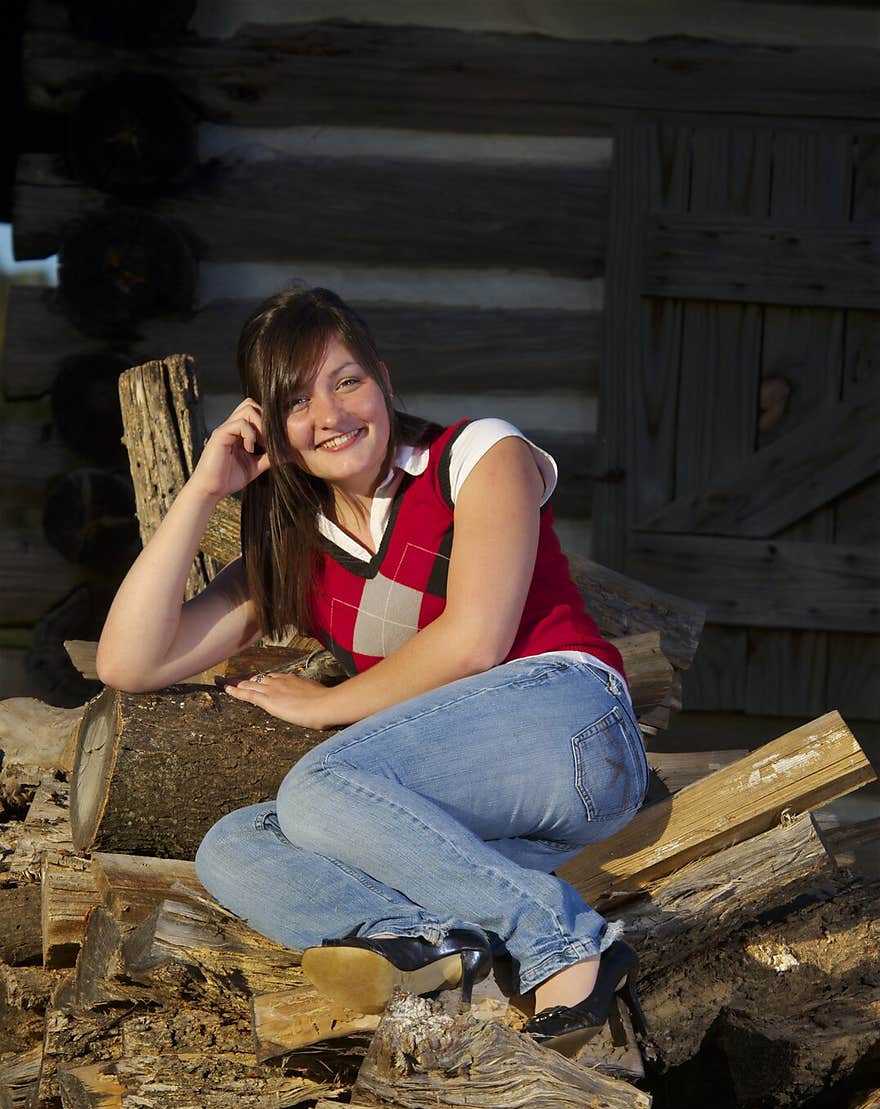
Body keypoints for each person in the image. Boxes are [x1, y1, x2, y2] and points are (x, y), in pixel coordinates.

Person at [96, 286, 650, 1055]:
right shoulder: (292, 550)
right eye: (295, 401)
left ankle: (565, 944)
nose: (329, 414)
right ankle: (428, 940)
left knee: (316, 790)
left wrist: (332, 705)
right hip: (467, 812)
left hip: (573, 729)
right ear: (270, 429)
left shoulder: (479, 455)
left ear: (384, 382)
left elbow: (475, 642)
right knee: (232, 843)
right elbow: (130, 662)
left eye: (346, 380)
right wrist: (202, 489)